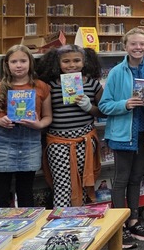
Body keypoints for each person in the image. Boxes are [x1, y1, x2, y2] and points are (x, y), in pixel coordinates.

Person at [99, 28, 144, 248]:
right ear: (125, 46)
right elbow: (104, 105)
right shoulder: (117, 72)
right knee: (121, 178)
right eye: (133, 44)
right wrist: (125, 104)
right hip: (123, 133)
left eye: (142, 44)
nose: (138, 48)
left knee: (137, 177)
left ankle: (133, 221)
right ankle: (119, 226)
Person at [0, 44, 52, 209]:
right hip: (4, 142)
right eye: (14, 62)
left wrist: (39, 124)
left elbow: (48, 117)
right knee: (0, 193)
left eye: (23, 61)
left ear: (30, 63)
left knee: (25, 192)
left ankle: (26, 223)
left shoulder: (41, 87)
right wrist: (0, 121)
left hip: (30, 142)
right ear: (7, 64)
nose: (19, 65)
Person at [39, 45, 103, 208]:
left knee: (84, 181)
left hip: (85, 140)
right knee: (62, 183)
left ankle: (80, 216)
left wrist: (89, 107)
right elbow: (44, 113)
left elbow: (104, 112)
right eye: (66, 61)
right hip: (57, 141)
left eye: (76, 60)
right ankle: (61, 217)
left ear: (84, 62)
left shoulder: (93, 84)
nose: (72, 65)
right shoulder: (50, 86)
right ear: (58, 63)